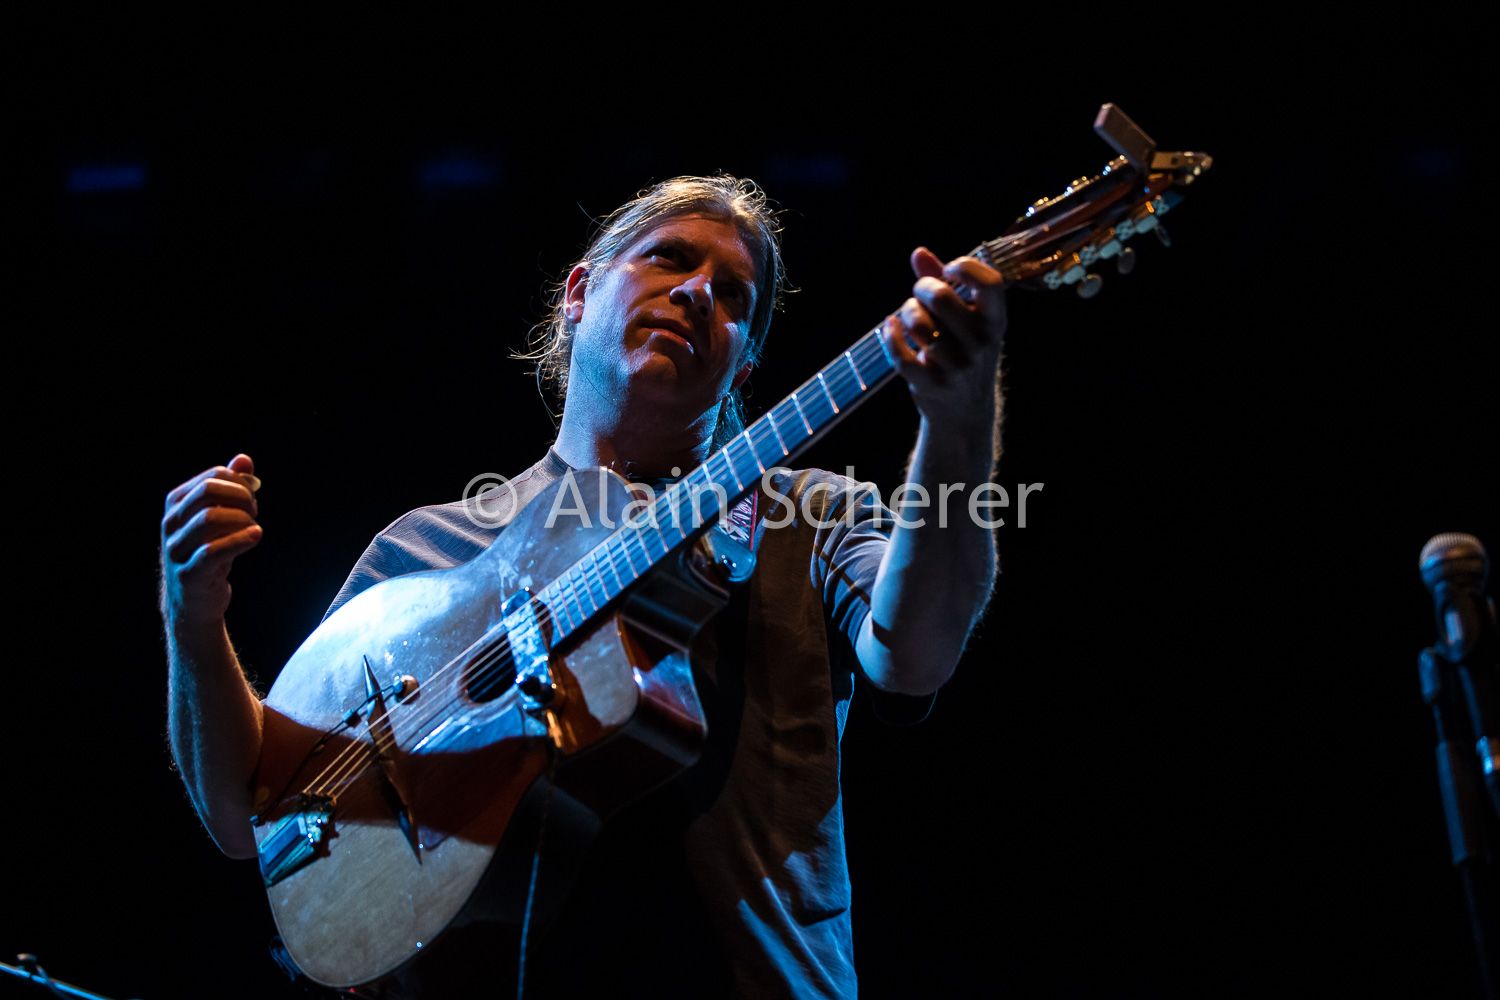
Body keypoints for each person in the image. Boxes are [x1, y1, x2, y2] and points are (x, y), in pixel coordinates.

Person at [160, 174, 1008, 998]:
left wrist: (960, 421)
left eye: (734, 296)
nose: (699, 293)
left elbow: (914, 657)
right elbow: (248, 818)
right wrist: (193, 615)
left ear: (744, 368)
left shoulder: (809, 513)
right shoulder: (427, 548)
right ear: (578, 293)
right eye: (670, 257)